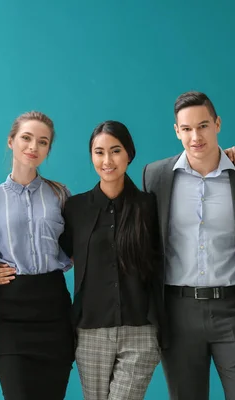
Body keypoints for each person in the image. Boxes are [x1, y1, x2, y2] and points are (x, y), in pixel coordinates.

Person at [142, 91, 235, 400]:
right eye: (187, 129)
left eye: (203, 126)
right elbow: (143, 242)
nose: (196, 136)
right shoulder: (155, 176)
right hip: (176, 312)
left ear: (217, 124)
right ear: (177, 131)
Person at [59, 120, 165, 400]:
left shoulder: (149, 207)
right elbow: (61, 254)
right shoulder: (75, 208)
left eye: (115, 151)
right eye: (99, 152)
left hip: (140, 331)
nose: (107, 160)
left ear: (129, 153)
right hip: (90, 331)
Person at [0, 111, 74, 400]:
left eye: (43, 142)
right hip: (12, 313)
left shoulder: (60, 194)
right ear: (11, 141)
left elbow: (78, 245)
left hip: (55, 310)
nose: (33, 147)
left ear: (48, 149)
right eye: (26, 137)